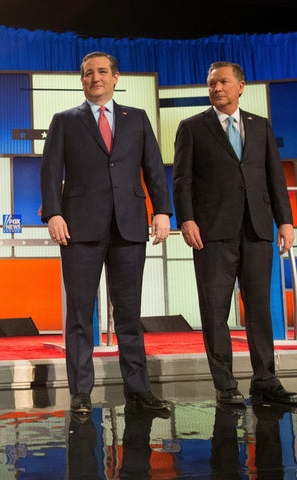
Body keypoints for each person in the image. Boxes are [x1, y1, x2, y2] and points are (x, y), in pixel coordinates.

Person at [40, 51, 172, 415]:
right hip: (79, 228)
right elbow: (49, 172)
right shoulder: (65, 121)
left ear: (116, 77)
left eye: (101, 72)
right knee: (81, 315)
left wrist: (162, 211)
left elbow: (154, 169)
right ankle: (81, 392)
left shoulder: (138, 119)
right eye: (87, 74)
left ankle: (138, 389)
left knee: (129, 314)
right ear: (81, 80)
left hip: (129, 226)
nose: (94, 78)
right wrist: (53, 213)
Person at [172, 61, 297, 407]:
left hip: (257, 228)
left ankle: (265, 379)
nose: (216, 89)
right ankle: (225, 384)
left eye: (224, 82)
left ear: (241, 86)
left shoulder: (259, 126)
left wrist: (284, 221)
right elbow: (182, 180)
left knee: (259, 307)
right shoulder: (192, 127)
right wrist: (186, 219)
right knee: (215, 310)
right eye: (212, 83)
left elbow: (274, 177)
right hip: (212, 232)